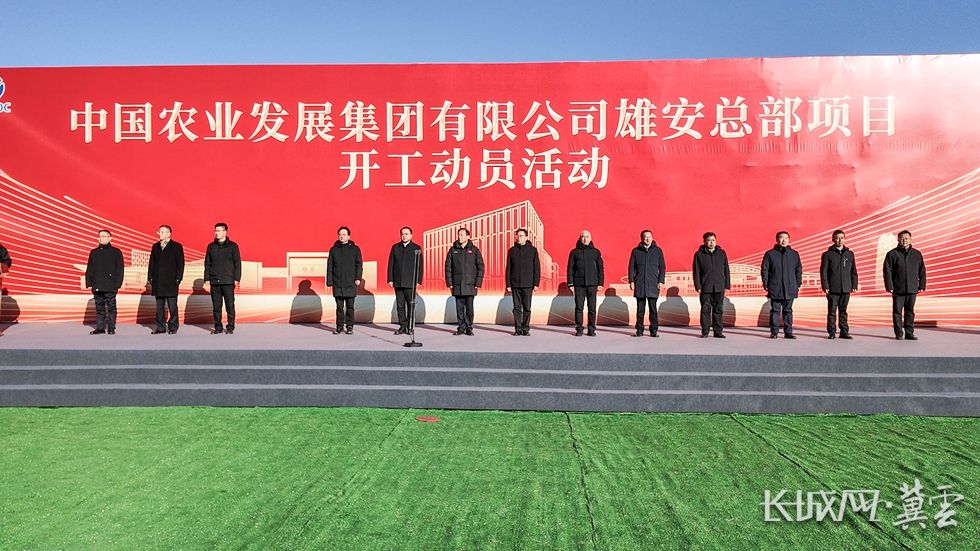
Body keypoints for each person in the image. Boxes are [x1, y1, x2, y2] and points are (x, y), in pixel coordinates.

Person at [883, 230, 926, 340]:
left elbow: (922, 270)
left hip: (912, 288)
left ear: (910, 239)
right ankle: (898, 333)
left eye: (906, 238)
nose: (904, 240)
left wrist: (922, 285)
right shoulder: (892, 254)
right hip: (898, 288)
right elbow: (887, 271)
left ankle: (909, 333)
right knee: (897, 312)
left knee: (910, 312)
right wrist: (889, 286)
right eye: (902, 238)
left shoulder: (917, 254)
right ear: (898, 240)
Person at [761, 231, 802, 339]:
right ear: (777, 240)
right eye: (781, 238)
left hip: (790, 287)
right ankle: (774, 332)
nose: (784, 240)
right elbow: (765, 269)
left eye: (786, 238)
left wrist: (798, 283)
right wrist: (766, 283)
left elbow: (798, 270)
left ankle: (788, 332)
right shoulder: (770, 254)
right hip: (775, 287)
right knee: (775, 311)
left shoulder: (794, 254)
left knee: (788, 311)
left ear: (789, 240)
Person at [819, 229, 858, 339]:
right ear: (833, 240)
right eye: (837, 238)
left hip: (846, 287)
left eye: (842, 238)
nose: (839, 240)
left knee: (843, 311)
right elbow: (823, 272)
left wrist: (854, 284)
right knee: (832, 311)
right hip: (832, 288)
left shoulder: (850, 254)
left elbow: (853, 271)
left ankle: (844, 332)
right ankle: (831, 332)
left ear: (845, 239)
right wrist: (825, 285)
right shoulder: (827, 254)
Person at [445, 228, 485, 336]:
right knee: (459, 308)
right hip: (457, 284)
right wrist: (450, 283)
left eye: (462, 235)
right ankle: (461, 328)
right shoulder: (453, 250)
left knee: (469, 309)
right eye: (458, 235)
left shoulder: (474, 250)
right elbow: (448, 268)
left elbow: (480, 267)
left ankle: (469, 328)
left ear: (468, 236)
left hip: (471, 284)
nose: (459, 237)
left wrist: (478, 283)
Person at [204, 222, 241, 335]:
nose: (216, 233)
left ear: (225, 232)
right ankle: (218, 327)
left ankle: (230, 327)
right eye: (215, 230)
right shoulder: (211, 246)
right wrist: (207, 279)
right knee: (216, 306)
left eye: (219, 230)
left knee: (230, 306)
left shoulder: (233, 246)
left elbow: (237, 263)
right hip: (215, 281)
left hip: (228, 281)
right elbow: (207, 264)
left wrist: (237, 278)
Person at [147, 225, 185, 335]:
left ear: (169, 234)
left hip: (171, 281)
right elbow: (152, 263)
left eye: (163, 232)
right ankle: (160, 327)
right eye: (160, 232)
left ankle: (173, 327)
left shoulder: (176, 246)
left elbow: (180, 263)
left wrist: (178, 278)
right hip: (158, 281)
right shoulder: (155, 246)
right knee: (159, 306)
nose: (160, 234)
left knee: (172, 306)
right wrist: (150, 277)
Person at [84, 230, 124, 335]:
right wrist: (89, 283)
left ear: (110, 238)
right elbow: (90, 268)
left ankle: (111, 328)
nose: (101, 238)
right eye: (100, 236)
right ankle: (100, 328)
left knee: (111, 308)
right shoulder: (94, 252)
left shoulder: (116, 252)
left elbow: (120, 269)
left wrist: (117, 284)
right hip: (97, 284)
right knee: (99, 308)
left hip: (111, 285)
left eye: (104, 236)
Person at [693, 232, 731, 338]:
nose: (711, 243)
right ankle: (705, 331)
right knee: (705, 310)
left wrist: (727, 284)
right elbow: (696, 272)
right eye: (709, 240)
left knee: (718, 310)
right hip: (706, 287)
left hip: (719, 286)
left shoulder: (722, 253)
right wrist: (698, 286)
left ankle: (718, 332)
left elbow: (726, 269)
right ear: (704, 241)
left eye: (713, 240)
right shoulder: (699, 254)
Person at [628, 230, 666, 337]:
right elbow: (631, 267)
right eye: (645, 237)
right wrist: (631, 281)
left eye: (649, 236)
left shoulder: (658, 251)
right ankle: (639, 330)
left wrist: (661, 281)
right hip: (640, 283)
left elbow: (662, 267)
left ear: (652, 238)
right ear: (641, 238)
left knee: (653, 309)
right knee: (640, 310)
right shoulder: (636, 251)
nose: (647, 239)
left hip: (653, 284)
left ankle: (654, 330)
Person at [326, 226, 363, 334]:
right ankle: (339, 327)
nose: (341, 236)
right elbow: (330, 266)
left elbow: (359, 264)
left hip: (350, 282)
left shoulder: (355, 249)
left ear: (348, 236)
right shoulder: (334, 249)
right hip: (338, 283)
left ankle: (350, 326)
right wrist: (330, 281)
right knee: (339, 307)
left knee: (350, 307)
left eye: (344, 234)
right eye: (340, 235)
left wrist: (358, 278)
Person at [387, 226, 424, 335]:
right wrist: (390, 279)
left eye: (406, 234)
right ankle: (402, 326)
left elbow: (420, 265)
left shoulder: (416, 248)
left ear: (411, 235)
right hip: (398, 281)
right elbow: (391, 264)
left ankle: (410, 327)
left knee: (411, 305)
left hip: (410, 282)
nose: (404, 236)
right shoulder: (395, 247)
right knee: (400, 306)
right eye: (402, 234)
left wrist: (418, 280)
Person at [567, 230, 604, 336]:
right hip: (579, 284)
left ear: (590, 238)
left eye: (587, 237)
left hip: (592, 284)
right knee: (579, 308)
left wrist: (600, 283)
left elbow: (600, 268)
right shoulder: (574, 252)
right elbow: (570, 268)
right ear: (580, 238)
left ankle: (591, 329)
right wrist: (570, 283)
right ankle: (579, 329)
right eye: (583, 236)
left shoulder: (596, 252)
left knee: (592, 308)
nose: (585, 239)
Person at [505, 229, 541, 336]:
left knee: (527, 308)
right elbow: (508, 268)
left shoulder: (532, 250)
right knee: (516, 308)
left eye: (521, 236)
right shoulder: (512, 250)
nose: (519, 238)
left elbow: (536, 268)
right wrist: (508, 284)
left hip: (528, 284)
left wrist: (536, 283)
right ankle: (518, 329)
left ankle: (526, 329)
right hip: (515, 284)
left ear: (526, 237)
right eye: (517, 236)